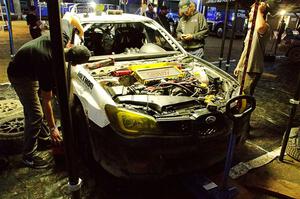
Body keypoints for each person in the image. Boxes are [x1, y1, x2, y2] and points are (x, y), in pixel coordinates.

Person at [7, 13, 91, 169]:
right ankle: (28, 156)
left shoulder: (63, 37)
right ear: (71, 62)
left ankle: (44, 139)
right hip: (20, 75)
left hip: (29, 63)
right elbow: (47, 100)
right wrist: (54, 128)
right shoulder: (48, 63)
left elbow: (70, 16)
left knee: (37, 108)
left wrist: (82, 33)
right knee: (35, 115)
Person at [234, 2, 270, 96]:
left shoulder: (265, 27)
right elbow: (246, 50)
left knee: (245, 97)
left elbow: (261, 27)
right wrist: (239, 65)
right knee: (239, 94)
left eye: (252, 11)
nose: (249, 13)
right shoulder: (251, 30)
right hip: (244, 67)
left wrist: (258, 10)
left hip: (252, 69)